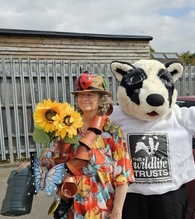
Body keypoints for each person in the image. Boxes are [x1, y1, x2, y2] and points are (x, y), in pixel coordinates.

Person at [19, 72, 134, 219]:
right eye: (81, 95)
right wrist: (31, 163)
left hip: (101, 208)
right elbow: (54, 156)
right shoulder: (68, 127)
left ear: (101, 100)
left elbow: (122, 173)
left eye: (90, 95)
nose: (84, 98)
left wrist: (117, 213)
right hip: (71, 207)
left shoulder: (111, 132)